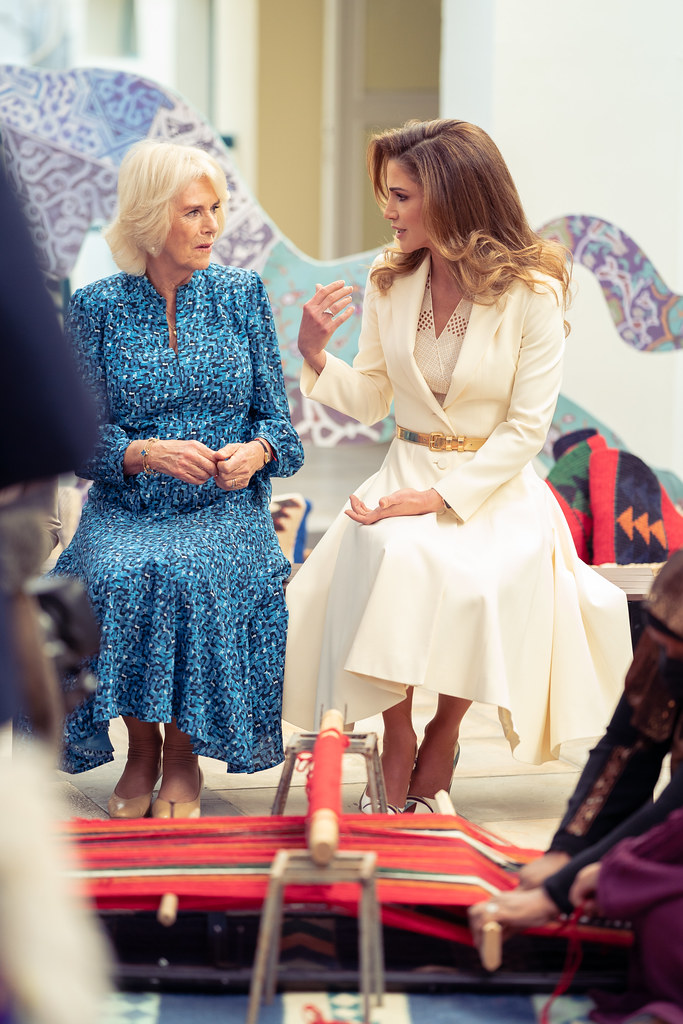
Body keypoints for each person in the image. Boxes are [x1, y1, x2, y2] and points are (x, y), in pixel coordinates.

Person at [282, 118, 632, 812]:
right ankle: (398, 732)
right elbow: (373, 397)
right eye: (387, 194)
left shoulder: (534, 290)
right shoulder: (390, 279)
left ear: (449, 198)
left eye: (401, 196)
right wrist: (316, 354)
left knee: (473, 579)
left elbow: (525, 428)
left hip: (494, 484)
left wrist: (441, 499)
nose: (388, 211)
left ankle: (444, 731)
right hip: (405, 467)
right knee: (387, 552)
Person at [53, 139, 304, 819]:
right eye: (194, 211)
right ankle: (142, 750)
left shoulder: (242, 295)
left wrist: (255, 453)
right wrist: (145, 453)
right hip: (127, 507)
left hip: (222, 510)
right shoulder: (97, 307)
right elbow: (79, 440)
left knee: (193, 574)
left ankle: (184, 755)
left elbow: (282, 430)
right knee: (116, 573)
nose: (211, 225)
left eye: (216, 209)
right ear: (148, 217)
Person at [468, 548, 683, 1021]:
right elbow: (627, 748)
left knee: (663, 920)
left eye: (676, 651)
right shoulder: (670, 627)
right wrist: (568, 850)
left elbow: (676, 809)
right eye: (665, 646)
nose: (667, 658)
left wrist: (562, 890)